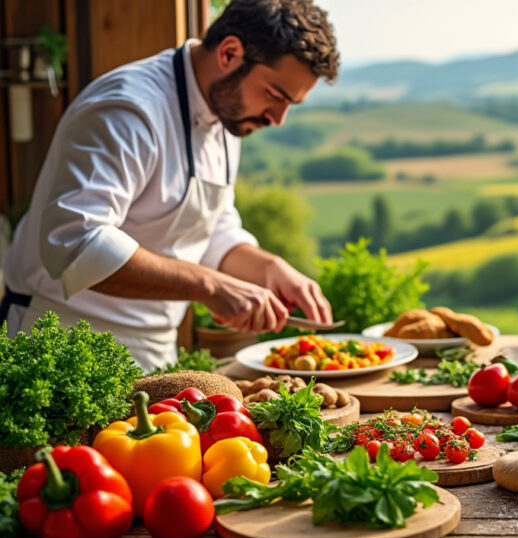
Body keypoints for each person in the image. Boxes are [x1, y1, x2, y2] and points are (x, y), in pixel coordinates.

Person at [0, 0, 339, 371]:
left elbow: (209, 228)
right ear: (229, 53)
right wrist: (211, 286)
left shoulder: (227, 113)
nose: (278, 118)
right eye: (275, 95)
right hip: (60, 344)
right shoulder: (128, 108)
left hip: (154, 352)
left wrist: (270, 268)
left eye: (291, 104)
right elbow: (76, 243)